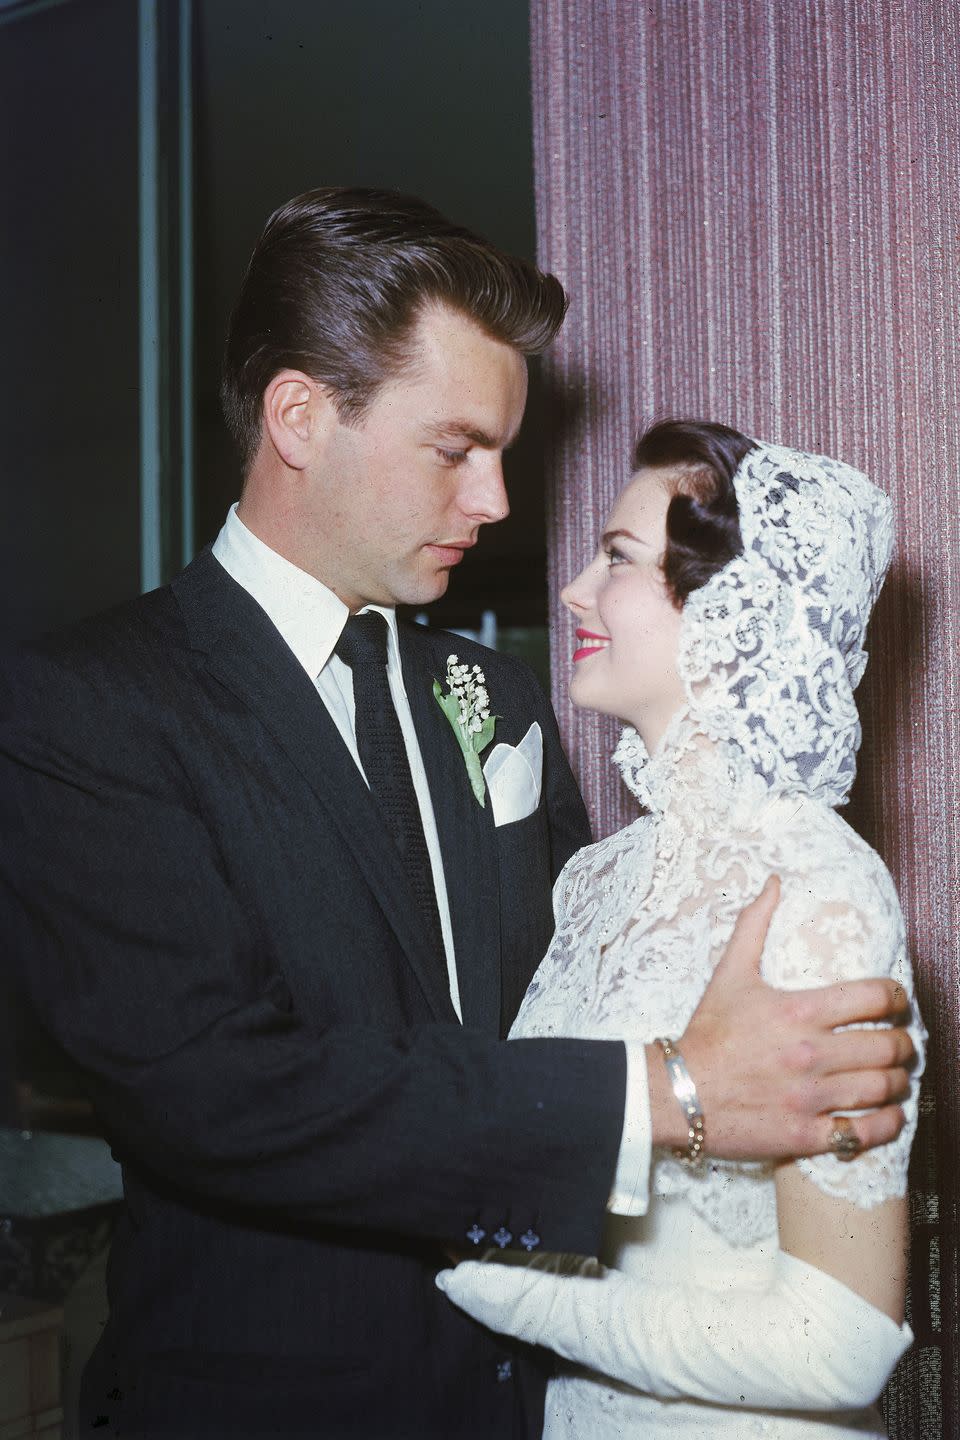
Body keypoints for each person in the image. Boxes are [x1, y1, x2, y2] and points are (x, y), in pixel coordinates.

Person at [0, 195, 913, 1440]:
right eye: (454, 448)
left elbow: (568, 1002)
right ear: (300, 418)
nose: (494, 498)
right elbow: (216, 1092)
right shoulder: (89, 706)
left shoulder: (494, 696)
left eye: (503, 453)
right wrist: (680, 1092)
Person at [438, 420, 926, 1439]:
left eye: (615, 557)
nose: (573, 590)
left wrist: (507, 1293)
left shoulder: (816, 885)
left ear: (733, 607)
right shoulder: (594, 878)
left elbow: (839, 1342)